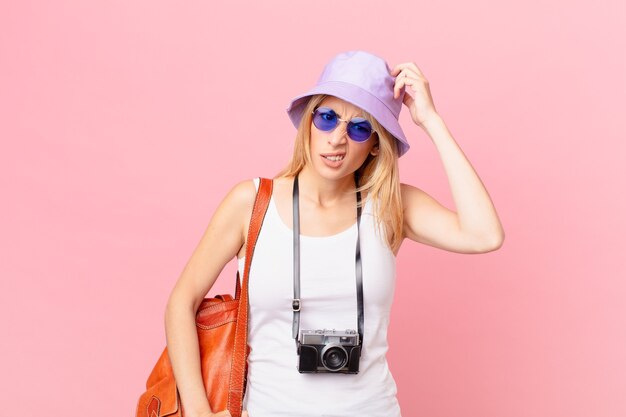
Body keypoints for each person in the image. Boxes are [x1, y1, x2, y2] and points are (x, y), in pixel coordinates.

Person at [163, 50, 505, 417]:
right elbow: (181, 302)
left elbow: (484, 235)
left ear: (375, 144)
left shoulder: (391, 205)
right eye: (327, 118)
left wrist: (431, 121)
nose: (338, 138)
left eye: (359, 127)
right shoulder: (250, 203)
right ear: (308, 122)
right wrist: (198, 411)